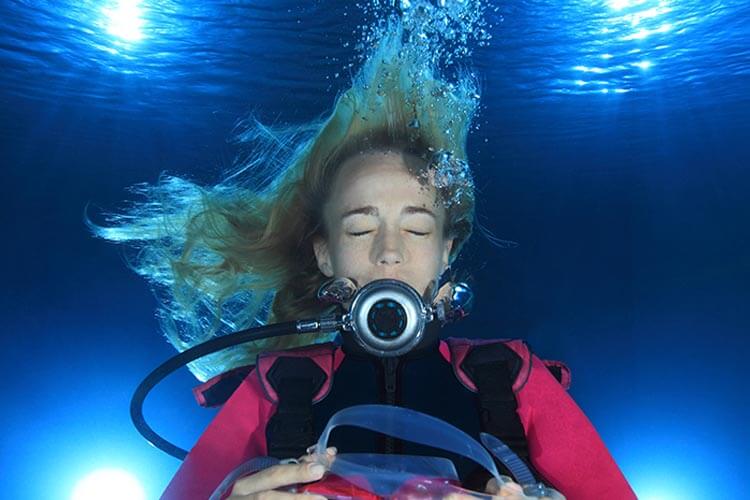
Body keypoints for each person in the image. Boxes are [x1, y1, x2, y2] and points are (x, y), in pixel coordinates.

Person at [93, 21, 636, 500]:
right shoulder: (277, 388)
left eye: (418, 227)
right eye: (360, 227)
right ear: (324, 253)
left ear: (447, 252)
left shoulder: (510, 381)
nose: (390, 251)